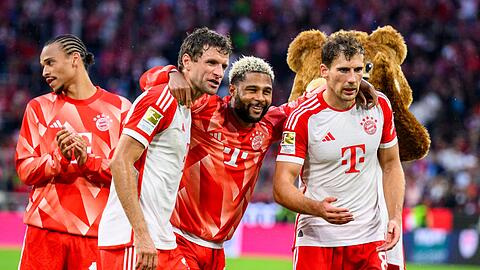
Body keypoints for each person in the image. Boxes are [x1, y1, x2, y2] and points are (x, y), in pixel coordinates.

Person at [139, 55, 377, 270]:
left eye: (266, 91)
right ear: (232, 90)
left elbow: (316, 97)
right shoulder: (204, 108)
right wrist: (172, 73)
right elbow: (147, 80)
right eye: (251, 90)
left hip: (217, 250)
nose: (259, 98)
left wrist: (357, 83)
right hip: (179, 238)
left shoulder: (270, 124)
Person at [97, 27, 232, 270]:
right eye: (211, 62)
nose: (218, 72)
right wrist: (140, 234)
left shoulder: (186, 106)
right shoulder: (163, 98)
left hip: (162, 239)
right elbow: (121, 161)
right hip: (133, 240)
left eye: (223, 65)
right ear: (187, 62)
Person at [272, 32, 405, 269]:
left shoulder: (379, 105)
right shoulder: (304, 117)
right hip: (317, 238)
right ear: (324, 71)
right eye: (343, 70)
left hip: (370, 239)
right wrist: (317, 209)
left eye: (358, 70)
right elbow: (282, 187)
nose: (353, 79)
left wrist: (394, 217)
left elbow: (391, 164)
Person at [15, 34, 132, 270]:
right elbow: (25, 170)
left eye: (50, 62)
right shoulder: (38, 108)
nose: (44, 72)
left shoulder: (120, 109)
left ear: (74, 59)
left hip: (97, 235)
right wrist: (58, 159)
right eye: (42, 66)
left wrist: (86, 160)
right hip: (44, 232)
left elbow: (129, 173)